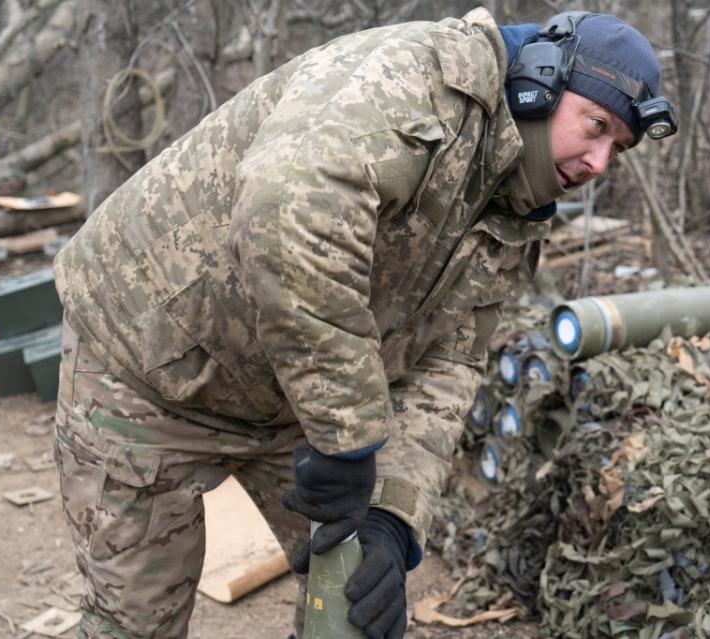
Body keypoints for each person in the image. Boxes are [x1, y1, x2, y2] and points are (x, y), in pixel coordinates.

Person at [52, 7, 674, 639]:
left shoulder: (517, 205)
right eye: (595, 126)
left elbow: (449, 360)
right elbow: (287, 210)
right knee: (134, 625)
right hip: (149, 366)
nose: (599, 163)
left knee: (356, 610)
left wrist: (391, 515)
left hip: (298, 399)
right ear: (540, 82)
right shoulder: (411, 78)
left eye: (616, 148)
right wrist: (348, 435)